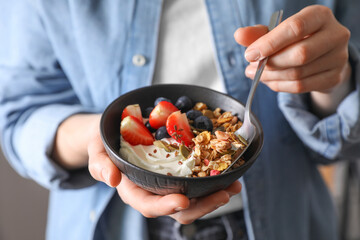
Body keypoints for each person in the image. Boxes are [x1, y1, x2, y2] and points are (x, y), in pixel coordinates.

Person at [0, 0, 359, 239]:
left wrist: (336, 78)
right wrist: (96, 137)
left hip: (285, 221)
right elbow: (20, 113)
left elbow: (345, 138)